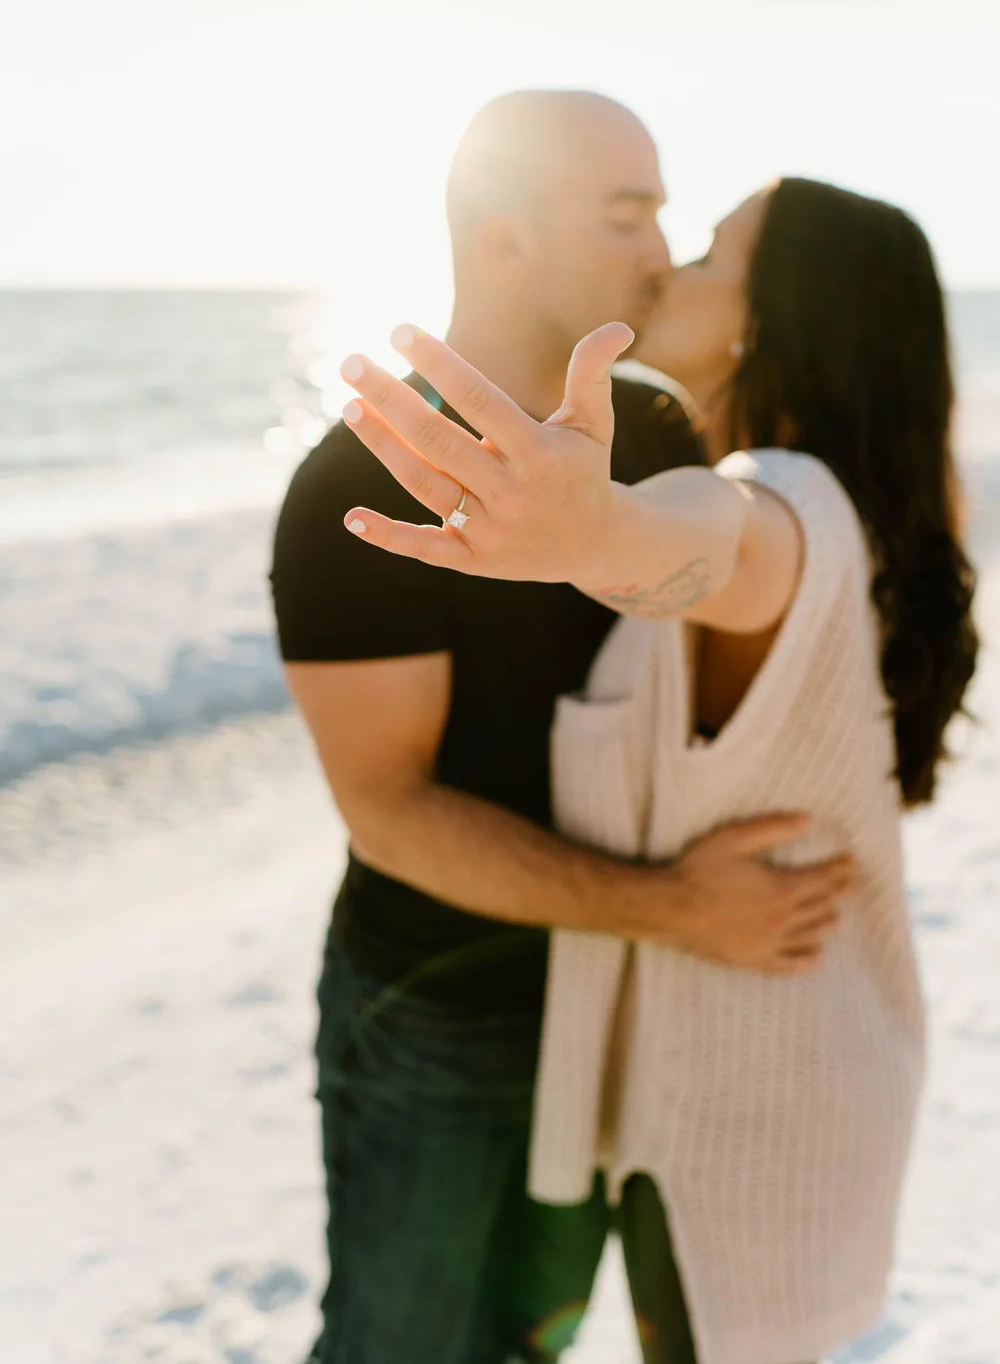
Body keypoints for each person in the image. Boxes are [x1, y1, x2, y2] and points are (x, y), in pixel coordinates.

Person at [336, 176, 979, 1364]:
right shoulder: (888, 509)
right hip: (804, 1064)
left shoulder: (787, 502)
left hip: (751, 1109)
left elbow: (709, 544)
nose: (666, 265)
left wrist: (592, 537)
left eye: (707, 258)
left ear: (768, 321)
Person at [270, 97, 855, 1364]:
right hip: (442, 1010)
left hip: (628, 1002)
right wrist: (675, 907)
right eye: (623, 214)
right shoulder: (358, 486)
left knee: (537, 1341)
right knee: (402, 1345)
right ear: (504, 241)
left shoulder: (651, 429)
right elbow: (389, 808)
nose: (660, 248)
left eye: (664, 212)